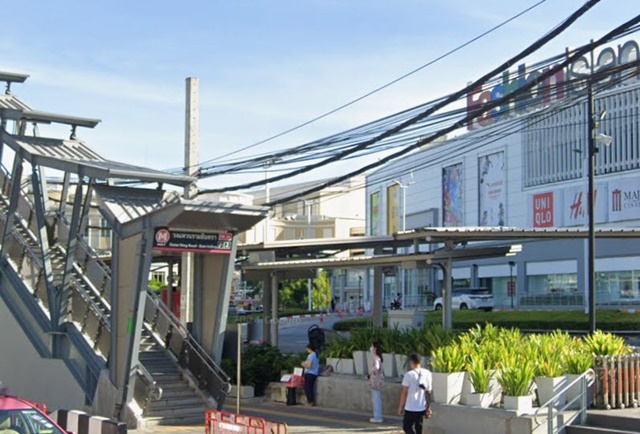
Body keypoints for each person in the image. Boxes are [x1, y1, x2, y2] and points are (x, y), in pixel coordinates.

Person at [397, 354, 432, 434]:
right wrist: (428, 407)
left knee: (407, 427)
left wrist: (400, 407)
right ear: (420, 362)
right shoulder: (427, 373)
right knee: (419, 428)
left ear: (411, 362)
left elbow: (404, 392)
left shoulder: (409, 375)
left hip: (410, 407)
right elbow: (429, 392)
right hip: (422, 406)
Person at [368, 341, 384, 423]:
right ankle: (378, 416)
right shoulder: (379, 357)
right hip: (379, 380)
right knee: (377, 398)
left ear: (375, 348)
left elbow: (377, 367)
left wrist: (371, 371)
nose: (371, 348)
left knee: (375, 399)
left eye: (372, 347)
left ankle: (377, 417)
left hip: (375, 381)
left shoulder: (376, 357)